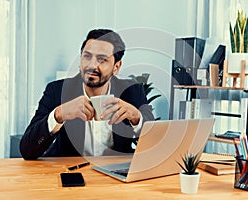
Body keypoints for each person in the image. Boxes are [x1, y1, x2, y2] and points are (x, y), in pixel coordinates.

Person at [20, 29, 155, 160]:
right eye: (87, 56)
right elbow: (27, 149)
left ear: (116, 67)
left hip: (116, 175)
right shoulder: (57, 90)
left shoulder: (132, 90)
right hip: (71, 173)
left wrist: (137, 117)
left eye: (102, 60)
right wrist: (59, 114)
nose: (92, 65)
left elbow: (155, 143)